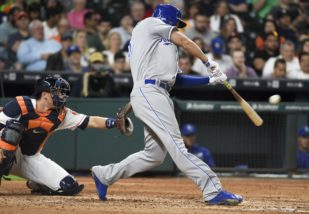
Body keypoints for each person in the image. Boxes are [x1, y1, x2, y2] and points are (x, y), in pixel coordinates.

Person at [91, 4, 243, 205]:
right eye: (176, 23)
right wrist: (208, 62)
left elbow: (176, 79)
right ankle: (212, 189)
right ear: (167, 18)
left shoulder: (163, 46)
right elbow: (185, 41)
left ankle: (105, 174)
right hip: (150, 92)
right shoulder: (149, 24)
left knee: (154, 155)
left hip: (158, 93)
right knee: (178, 147)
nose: (178, 27)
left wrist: (209, 80)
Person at [0, 75, 123, 195]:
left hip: (28, 157)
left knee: (69, 186)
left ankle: (37, 183)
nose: (62, 96)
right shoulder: (21, 104)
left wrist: (115, 122)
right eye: (58, 93)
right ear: (45, 94)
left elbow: (91, 121)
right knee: (12, 131)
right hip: (4, 153)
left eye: (63, 93)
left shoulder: (61, 114)